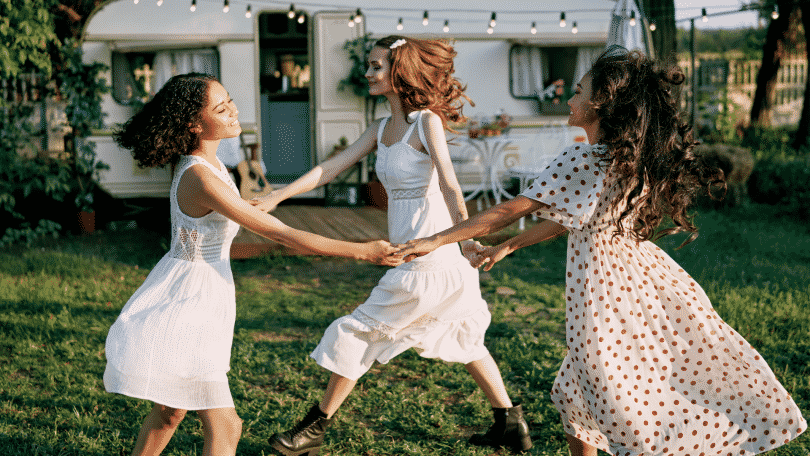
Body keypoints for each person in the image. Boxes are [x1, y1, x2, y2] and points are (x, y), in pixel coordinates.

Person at [397, 46, 807, 456]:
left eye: (578, 91)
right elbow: (569, 219)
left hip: (606, 287)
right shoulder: (624, 157)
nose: (570, 99)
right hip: (640, 274)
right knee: (577, 391)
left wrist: (436, 239)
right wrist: (508, 246)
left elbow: (508, 209)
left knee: (611, 393)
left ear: (601, 103)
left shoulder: (583, 157)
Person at [254, 35, 532, 455]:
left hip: (432, 257)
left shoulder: (426, 122)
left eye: (375, 66)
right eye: (368, 65)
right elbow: (329, 168)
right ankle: (511, 424)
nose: (367, 73)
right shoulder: (381, 128)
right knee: (463, 338)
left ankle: (313, 429)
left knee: (358, 333)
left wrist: (468, 240)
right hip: (420, 255)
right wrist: (275, 197)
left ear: (399, 71)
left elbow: (449, 184)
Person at [104, 73, 403, 456]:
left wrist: (261, 202)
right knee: (224, 426)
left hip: (201, 291)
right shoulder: (200, 176)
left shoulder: (212, 167)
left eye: (230, 101)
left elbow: (234, 212)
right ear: (194, 124)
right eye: (221, 108)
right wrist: (362, 250)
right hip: (189, 301)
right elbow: (281, 235)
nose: (234, 112)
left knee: (170, 410)